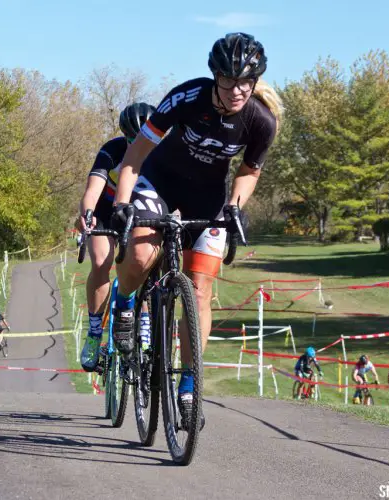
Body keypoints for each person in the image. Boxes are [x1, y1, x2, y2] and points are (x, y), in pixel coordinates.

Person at [109, 32, 283, 423]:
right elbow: (137, 151)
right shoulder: (187, 97)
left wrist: (235, 207)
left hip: (208, 196)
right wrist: (121, 203)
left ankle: (189, 386)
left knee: (201, 290)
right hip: (160, 182)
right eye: (228, 79)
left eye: (245, 82)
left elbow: (249, 171)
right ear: (215, 76)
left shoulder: (260, 121)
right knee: (139, 254)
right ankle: (123, 302)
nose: (237, 90)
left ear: (255, 82)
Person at [78, 102, 157, 373]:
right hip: (106, 212)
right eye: (133, 138)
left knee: (143, 264)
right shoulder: (112, 150)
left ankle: (143, 321)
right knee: (101, 262)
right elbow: (92, 191)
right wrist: (87, 214)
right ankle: (94, 331)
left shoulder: (164, 152)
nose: (139, 143)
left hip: (140, 213)